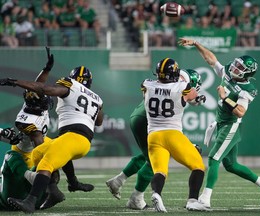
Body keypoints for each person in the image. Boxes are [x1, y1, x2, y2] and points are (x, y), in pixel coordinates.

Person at [178, 38, 260, 211]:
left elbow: (240, 112)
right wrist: (196, 44)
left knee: (214, 158)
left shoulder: (248, 89)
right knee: (231, 165)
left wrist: (224, 97)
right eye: (236, 65)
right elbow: (211, 59)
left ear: (247, 74)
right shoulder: (228, 73)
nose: (235, 68)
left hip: (232, 124)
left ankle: (205, 199)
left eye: (240, 68)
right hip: (222, 123)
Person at [0, 65, 104, 213]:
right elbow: (99, 121)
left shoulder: (70, 85)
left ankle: (31, 201)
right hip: (75, 138)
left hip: (75, 136)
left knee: (47, 162)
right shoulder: (96, 98)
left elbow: (43, 88)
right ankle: (68, 184)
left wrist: (15, 81)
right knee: (40, 153)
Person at [106, 69, 206, 210]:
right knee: (155, 161)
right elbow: (186, 95)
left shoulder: (154, 83)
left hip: (141, 119)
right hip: (150, 122)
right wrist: (195, 97)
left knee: (152, 154)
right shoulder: (181, 86)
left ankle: (119, 180)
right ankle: (136, 197)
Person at [141, 58, 206, 212]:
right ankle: (192, 200)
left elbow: (155, 87)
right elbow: (193, 95)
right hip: (172, 134)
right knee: (198, 167)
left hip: (153, 136)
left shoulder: (146, 85)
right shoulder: (182, 86)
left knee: (160, 171)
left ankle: (157, 193)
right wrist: (197, 99)